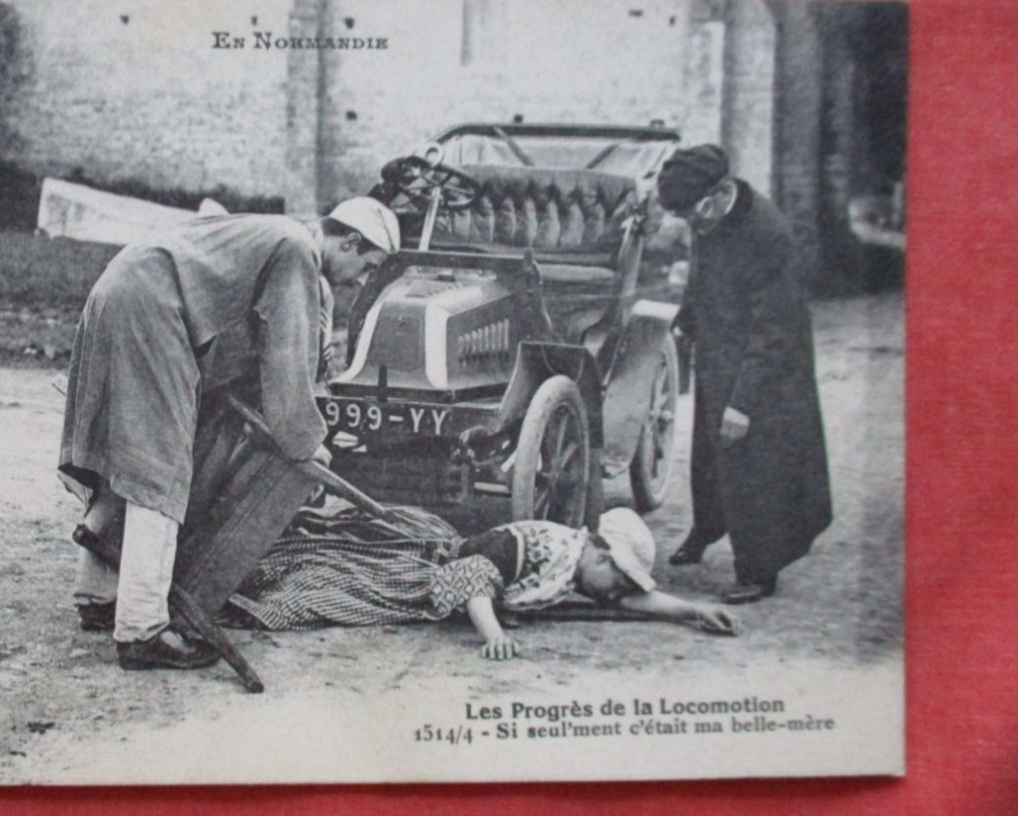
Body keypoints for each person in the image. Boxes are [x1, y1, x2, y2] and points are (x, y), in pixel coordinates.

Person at [59, 197, 401, 670]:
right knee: (162, 469)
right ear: (349, 241)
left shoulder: (276, 233)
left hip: (124, 289)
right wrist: (306, 442)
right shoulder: (297, 249)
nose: (360, 280)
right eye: (367, 266)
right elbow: (287, 354)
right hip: (151, 308)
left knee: (133, 455)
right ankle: (141, 630)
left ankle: (97, 596)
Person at [657, 145, 833, 605]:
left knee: (755, 465)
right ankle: (707, 528)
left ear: (719, 193)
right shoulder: (708, 218)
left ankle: (759, 568)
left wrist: (743, 402)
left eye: (692, 213)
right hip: (721, 352)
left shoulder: (768, 233)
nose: (691, 225)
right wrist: (688, 317)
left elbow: (776, 328)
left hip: (768, 367)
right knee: (710, 454)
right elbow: (702, 272)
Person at [230, 504, 739, 656]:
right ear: (600, 552)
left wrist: (693, 611)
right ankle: (234, 590)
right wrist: (493, 633)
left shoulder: (578, 569)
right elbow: (473, 577)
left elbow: (634, 604)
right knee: (317, 587)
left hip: (454, 577)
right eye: (618, 578)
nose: (614, 593)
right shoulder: (540, 546)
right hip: (423, 569)